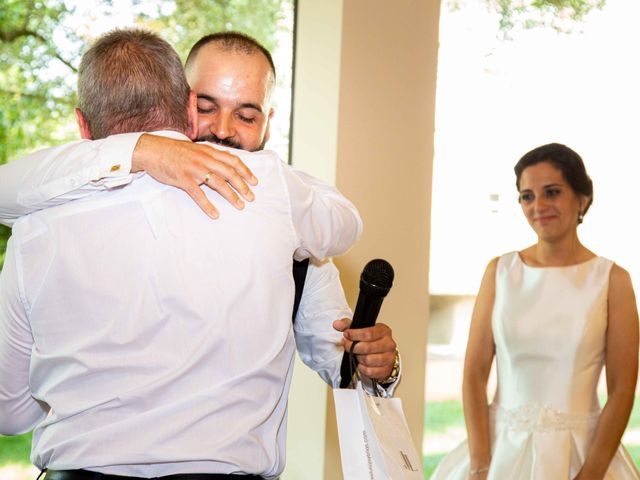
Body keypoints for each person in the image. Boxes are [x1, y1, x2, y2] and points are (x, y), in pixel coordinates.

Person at [0, 28, 363, 479]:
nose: (223, 131)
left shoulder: (36, 224)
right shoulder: (273, 190)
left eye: (245, 116)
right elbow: (346, 225)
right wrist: (142, 150)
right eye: (208, 107)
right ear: (188, 107)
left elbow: (10, 414)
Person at [431, 143, 640, 479]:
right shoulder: (499, 272)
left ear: (582, 199)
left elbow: (622, 390)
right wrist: (482, 462)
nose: (538, 206)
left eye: (552, 192)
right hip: (499, 452)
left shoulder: (612, 280)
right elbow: (474, 373)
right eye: (527, 196)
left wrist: (591, 474)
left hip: (583, 455)